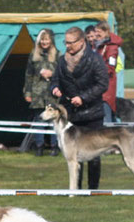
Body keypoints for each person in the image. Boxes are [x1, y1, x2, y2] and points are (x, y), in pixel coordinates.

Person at [51, 26, 108, 189]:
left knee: (94, 155)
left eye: (71, 43)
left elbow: (103, 84)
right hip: (72, 115)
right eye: (66, 42)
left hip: (92, 114)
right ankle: (77, 189)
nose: (67, 46)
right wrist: (54, 88)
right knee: (74, 153)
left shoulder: (95, 59)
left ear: (81, 41)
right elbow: (56, 80)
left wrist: (83, 97)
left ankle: (93, 189)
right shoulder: (62, 60)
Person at [22, 28, 61, 156]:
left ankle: (54, 147)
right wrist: (27, 92)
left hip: (52, 92)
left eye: (47, 39)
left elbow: (63, 74)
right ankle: (39, 146)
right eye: (42, 39)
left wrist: (52, 73)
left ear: (51, 40)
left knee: (53, 120)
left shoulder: (58, 55)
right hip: (37, 93)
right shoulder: (34, 54)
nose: (44, 42)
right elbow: (29, 75)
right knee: (39, 120)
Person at [94, 20, 124, 124]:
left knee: (106, 119)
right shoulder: (98, 46)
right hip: (97, 87)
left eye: (99, 32)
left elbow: (110, 68)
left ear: (106, 32)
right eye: (95, 32)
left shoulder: (111, 48)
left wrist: (94, 73)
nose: (96, 34)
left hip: (106, 89)